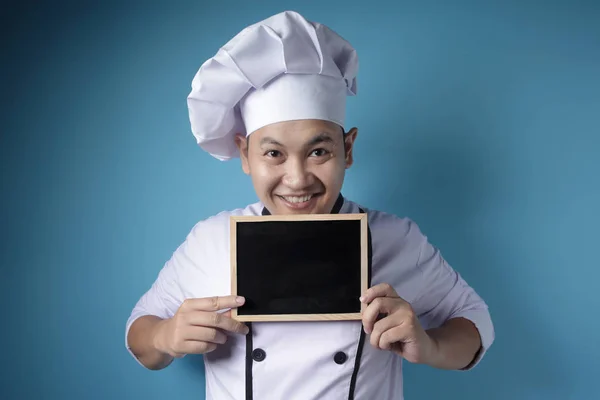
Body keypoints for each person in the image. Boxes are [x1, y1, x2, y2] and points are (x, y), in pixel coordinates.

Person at [125, 10, 494, 400]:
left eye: (318, 151)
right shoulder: (210, 240)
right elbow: (140, 333)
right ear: (245, 155)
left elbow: (476, 322)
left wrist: (430, 345)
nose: (298, 178)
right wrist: (165, 336)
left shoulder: (394, 238)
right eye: (273, 154)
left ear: (347, 149)